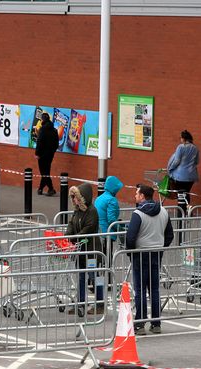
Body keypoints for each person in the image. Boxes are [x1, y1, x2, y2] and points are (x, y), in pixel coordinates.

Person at [125, 184, 174, 334]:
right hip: (156, 253)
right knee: (154, 289)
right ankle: (156, 323)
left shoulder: (138, 214)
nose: (135, 196)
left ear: (142, 196)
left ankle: (140, 324)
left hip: (140, 253)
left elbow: (130, 237)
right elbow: (170, 235)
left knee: (139, 290)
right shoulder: (164, 211)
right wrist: (160, 246)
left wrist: (130, 252)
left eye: (137, 194)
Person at [66, 183, 104, 315]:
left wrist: (74, 238)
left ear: (83, 198)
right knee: (81, 278)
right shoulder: (77, 210)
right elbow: (72, 223)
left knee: (95, 277)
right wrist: (67, 234)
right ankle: (81, 303)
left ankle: (100, 303)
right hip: (81, 251)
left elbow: (88, 229)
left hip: (92, 251)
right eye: (73, 198)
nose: (74, 200)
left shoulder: (92, 211)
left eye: (76, 197)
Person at [166, 130, 200, 215]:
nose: (180, 139)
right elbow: (197, 162)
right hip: (191, 176)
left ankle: (180, 213)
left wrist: (170, 168)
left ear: (184, 139)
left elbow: (177, 160)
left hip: (180, 176)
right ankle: (187, 210)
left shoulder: (181, 147)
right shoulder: (195, 148)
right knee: (186, 193)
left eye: (181, 138)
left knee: (180, 195)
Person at [95, 175, 123, 247]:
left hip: (98, 231)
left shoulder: (99, 198)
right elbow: (111, 219)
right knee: (108, 256)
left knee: (102, 255)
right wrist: (120, 229)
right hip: (107, 232)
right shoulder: (111, 200)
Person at [35, 112, 59, 196]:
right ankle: (41, 189)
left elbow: (39, 142)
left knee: (44, 173)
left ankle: (51, 189)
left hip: (42, 155)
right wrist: (52, 151)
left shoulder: (42, 130)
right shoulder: (54, 130)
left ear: (43, 120)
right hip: (50, 155)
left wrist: (37, 153)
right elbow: (57, 144)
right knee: (46, 172)